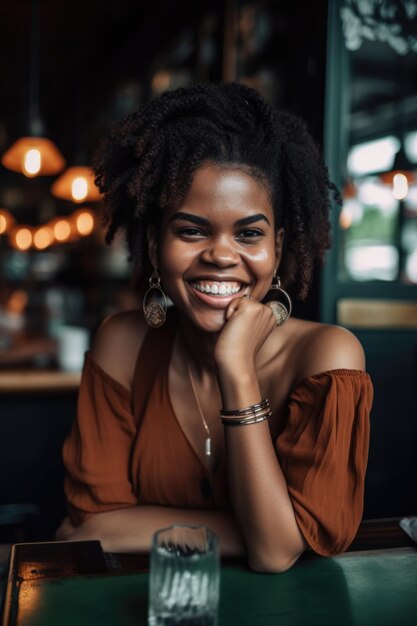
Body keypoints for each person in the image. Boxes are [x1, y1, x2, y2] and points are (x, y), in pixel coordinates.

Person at [56, 82, 373, 573]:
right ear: (156, 244)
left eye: (249, 233)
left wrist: (237, 369)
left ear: (279, 248)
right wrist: (260, 528)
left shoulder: (328, 358)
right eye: (191, 231)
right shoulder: (121, 342)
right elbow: (89, 525)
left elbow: (275, 554)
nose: (222, 255)